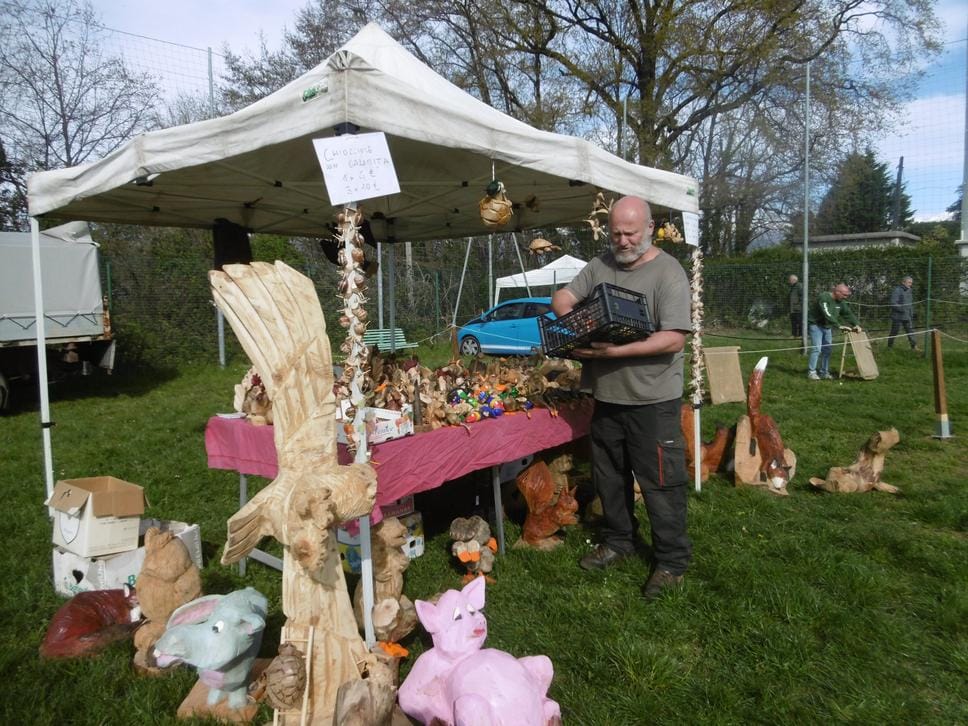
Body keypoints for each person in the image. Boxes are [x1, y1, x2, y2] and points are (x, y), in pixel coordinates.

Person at [551, 196, 692, 601]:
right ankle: (618, 541)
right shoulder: (599, 266)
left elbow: (674, 337)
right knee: (609, 478)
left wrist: (615, 352)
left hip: (653, 399)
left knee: (661, 483)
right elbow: (562, 298)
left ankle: (671, 561)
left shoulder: (668, 271)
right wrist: (575, 321)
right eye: (616, 232)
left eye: (631, 232)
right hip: (608, 397)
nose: (623, 240)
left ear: (650, 228)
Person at [806, 283, 861, 380]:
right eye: (844, 295)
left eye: (847, 296)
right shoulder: (824, 298)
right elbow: (827, 314)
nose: (845, 297)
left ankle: (824, 372)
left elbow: (847, 313)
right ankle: (812, 372)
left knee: (827, 350)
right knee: (816, 349)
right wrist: (839, 326)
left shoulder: (841, 302)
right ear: (837, 292)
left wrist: (856, 324)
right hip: (816, 325)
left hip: (827, 326)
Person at [888, 276, 918, 350]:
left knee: (910, 331)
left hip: (907, 316)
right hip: (898, 316)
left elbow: (910, 304)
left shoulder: (910, 290)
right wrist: (903, 309)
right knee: (894, 332)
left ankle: (914, 347)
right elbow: (893, 303)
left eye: (911, 283)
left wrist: (911, 313)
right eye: (909, 282)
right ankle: (889, 347)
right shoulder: (897, 290)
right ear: (903, 282)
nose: (910, 284)